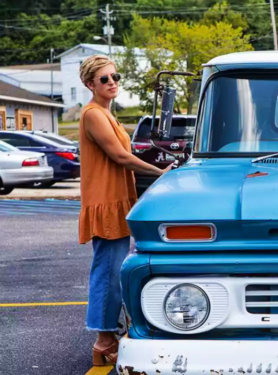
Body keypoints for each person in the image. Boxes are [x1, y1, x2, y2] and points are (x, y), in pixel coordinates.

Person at [78, 54, 172, 366]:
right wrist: (160, 173)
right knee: (107, 272)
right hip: (105, 202)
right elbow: (120, 157)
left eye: (115, 77)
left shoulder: (108, 115)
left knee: (114, 270)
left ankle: (108, 335)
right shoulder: (93, 114)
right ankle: (104, 340)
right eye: (104, 79)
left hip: (117, 200)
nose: (112, 83)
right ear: (90, 84)